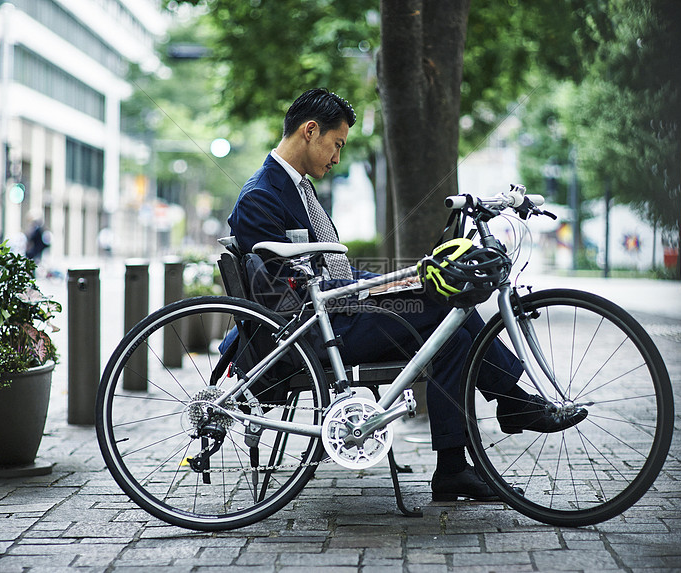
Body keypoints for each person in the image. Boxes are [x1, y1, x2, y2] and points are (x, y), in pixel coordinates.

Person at [227, 88, 586, 502]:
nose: (338, 157)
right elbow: (282, 300)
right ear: (311, 131)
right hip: (304, 337)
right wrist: (376, 287)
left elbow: (323, 272)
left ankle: (458, 465)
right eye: (337, 144)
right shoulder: (262, 197)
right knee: (448, 306)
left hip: (331, 320)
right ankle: (509, 404)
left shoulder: (291, 189)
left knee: (453, 328)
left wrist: (388, 283)